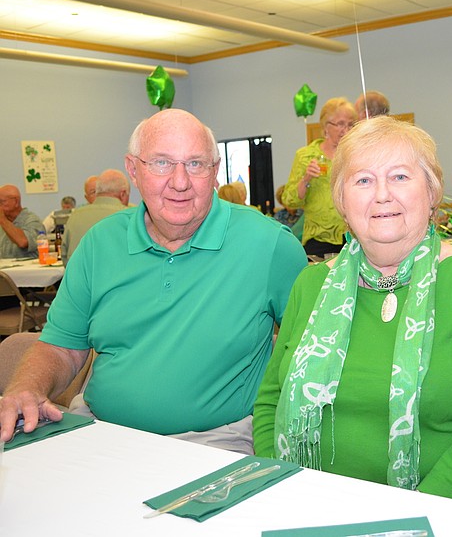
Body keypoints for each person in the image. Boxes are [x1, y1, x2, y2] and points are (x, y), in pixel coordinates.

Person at [0, 109, 307, 454]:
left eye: (195, 164)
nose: (180, 181)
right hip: (100, 429)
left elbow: (310, 356)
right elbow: (61, 346)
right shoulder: (100, 243)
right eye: (161, 163)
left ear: (215, 172)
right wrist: (27, 387)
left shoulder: (270, 246)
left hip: (215, 442)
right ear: (134, 170)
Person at [254, 116, 452, 503]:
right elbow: (271, 401)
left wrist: (417, 513)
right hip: (306, 504)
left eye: (400, 176)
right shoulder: (310, 285)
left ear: (432, 193)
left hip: (433, 510)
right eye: (363, 180)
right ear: (342, 202)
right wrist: (283, 487)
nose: (382, 194)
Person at [281, 97, 354, 257]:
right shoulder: (306, 156)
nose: (347, 130)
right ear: (326, 126)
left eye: (350, 124)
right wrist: (306, 179)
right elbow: (290, 200)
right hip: (318, 239)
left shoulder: (356, 155)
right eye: (341, 124)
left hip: (354, 236)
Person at [61, 169, 130, 261]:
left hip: (80, 274)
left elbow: (65, 255)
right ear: (123, 194)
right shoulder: (130, 216)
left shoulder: (75, 216)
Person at [0, 184, 41, 259]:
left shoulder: (32, 220)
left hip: (28, 270)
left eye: (1, 202)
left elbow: (23, 242)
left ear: (16, 201)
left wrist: (2, 220)